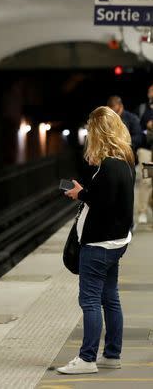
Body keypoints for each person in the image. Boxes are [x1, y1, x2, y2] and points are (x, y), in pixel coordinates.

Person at [59, 106, 135, 375]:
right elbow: (110, 200)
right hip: (115, 242)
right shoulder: (123, 162)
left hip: (99, 245)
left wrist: (80, 193)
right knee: (110, 298)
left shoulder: (110, 167)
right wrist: (88, 190)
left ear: (98, 134)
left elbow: (101, 204)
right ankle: (112, 355)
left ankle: (87, 359)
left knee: (90, 301)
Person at [136, 85, 153, 225]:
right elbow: (137, 129)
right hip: (147, 151)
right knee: (147, 179)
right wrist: (147, 127)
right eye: (151, 91)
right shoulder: (143, 109)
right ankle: (142, 211)